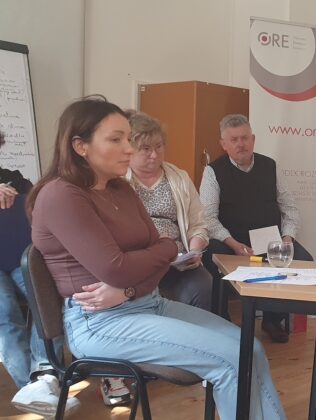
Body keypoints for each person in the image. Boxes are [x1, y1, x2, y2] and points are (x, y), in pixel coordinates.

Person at [26, 96, 285, 419]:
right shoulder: (61, 195)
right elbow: (118, 267)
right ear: (81, 146)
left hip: (147, 303)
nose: (129, 149)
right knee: (232, 359)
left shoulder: (121, 189)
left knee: (251, 348)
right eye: (116, 140)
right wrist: (156, 255)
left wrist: (132, 285)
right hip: (100, 323)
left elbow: (161, 252)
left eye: (128, 139)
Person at [200, 114, 312, 343]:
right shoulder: (213, 171)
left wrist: (287, 239)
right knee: (211, 254)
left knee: (303, 259)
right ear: (223, 144)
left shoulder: (270, 166)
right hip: (231, 241)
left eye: (244, 138)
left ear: (253, 139)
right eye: (234, 140)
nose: (240, 144)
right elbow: (208, 218)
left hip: (269, 240)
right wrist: (233, 244)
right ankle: (221, 320)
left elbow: (289, 207)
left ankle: (273, 319)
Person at [1, 131, 79, 416]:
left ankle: (44, 376)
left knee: (48, 301)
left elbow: (39, 210)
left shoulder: (14, 178)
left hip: (19, 258)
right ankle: (31, 389)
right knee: (5, 313)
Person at [125, 110, 212, 311]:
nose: (154, 154)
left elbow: (198, 224)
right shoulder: (118, 181)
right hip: (139, 263)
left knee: (202, 284)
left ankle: (196, 330)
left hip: (177, 261)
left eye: (159, 146)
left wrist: (195, 251)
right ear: (129, 149)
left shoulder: (179, 177)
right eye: (146, 148)